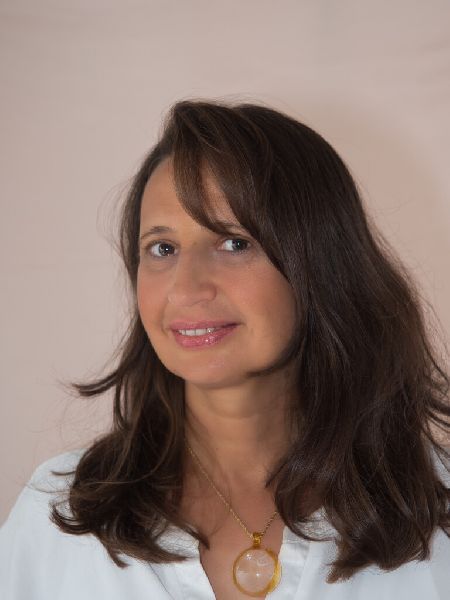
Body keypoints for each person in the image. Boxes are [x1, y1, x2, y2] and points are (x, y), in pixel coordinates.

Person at [1, 99, 450, 600]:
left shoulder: (436, 512)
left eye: (234, 243)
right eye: (163, 249)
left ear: (322, 264)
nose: (186, 288)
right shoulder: (56, 518)